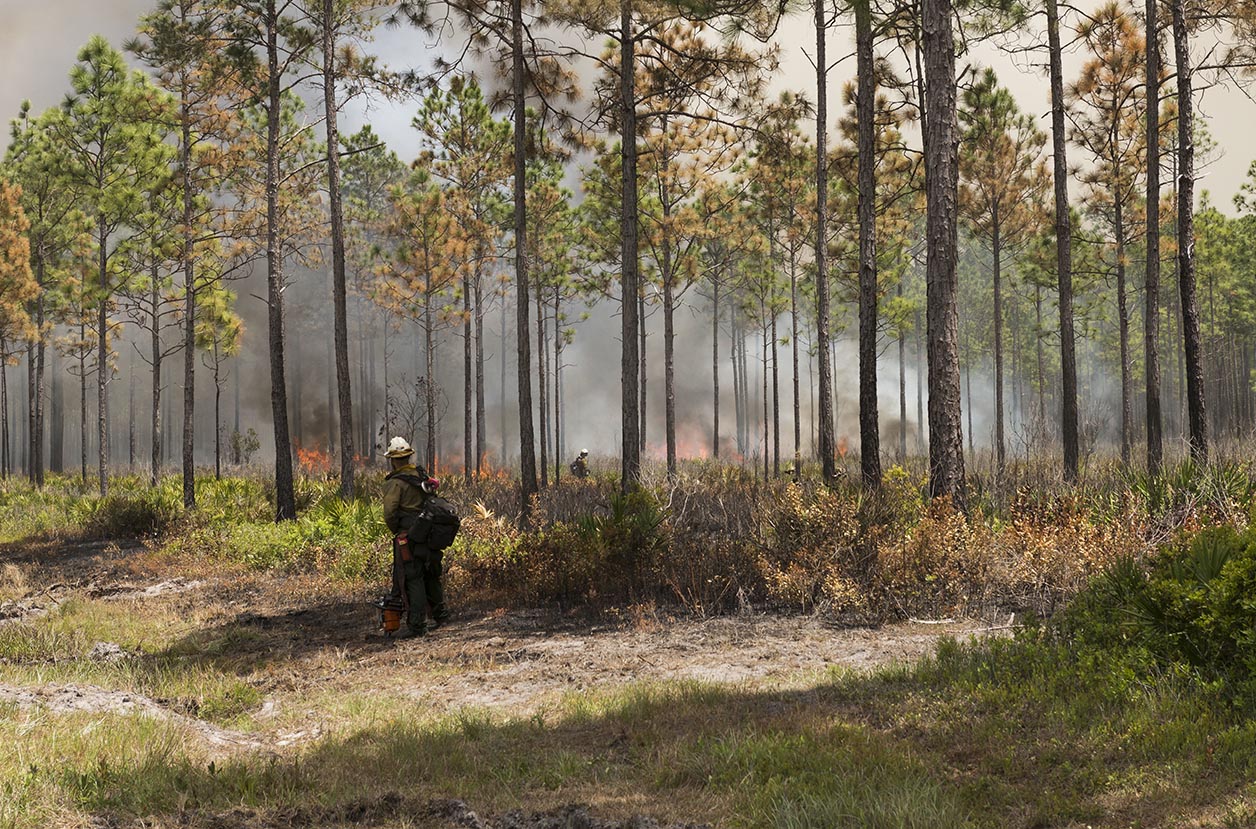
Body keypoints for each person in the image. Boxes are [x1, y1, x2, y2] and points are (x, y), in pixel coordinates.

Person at [381, 436, 448, 638]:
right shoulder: (421, 475)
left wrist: (397, 530)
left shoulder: (395, 483)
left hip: (408, 536)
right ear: (408, 457)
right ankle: (441, 615)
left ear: (393, 460)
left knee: (413, 576)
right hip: (428, 531)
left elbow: (390, 513)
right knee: (431, 573)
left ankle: (418, 625)